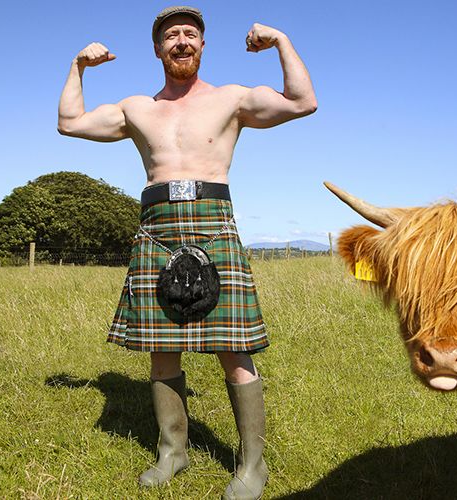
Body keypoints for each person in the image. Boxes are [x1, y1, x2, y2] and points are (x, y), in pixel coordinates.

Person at [57, 6, 316, 499]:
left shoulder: (231, 98)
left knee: (234, 352)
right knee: (162, 351)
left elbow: (303, 101)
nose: (181, 41)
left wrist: (280, 40)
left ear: (202, 46)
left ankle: (252, 464)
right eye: (171, 35)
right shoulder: (137, 108)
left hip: (213, 224)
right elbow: (69, 123)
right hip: (157, 227)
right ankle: (173, 453)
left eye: (190, 34)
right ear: (158, 49)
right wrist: (78, 66)